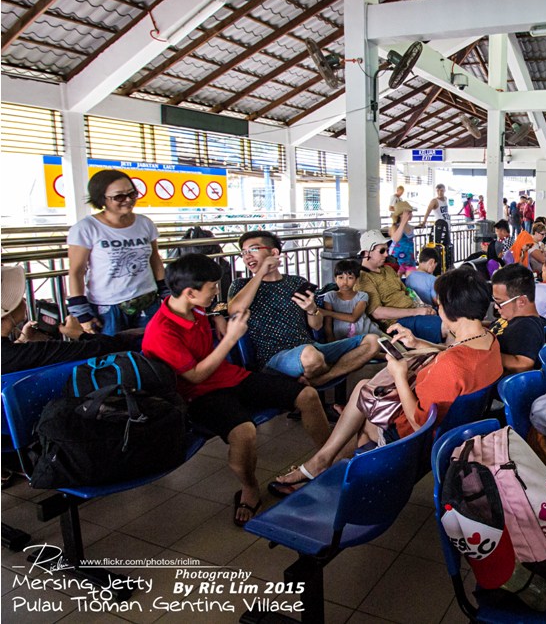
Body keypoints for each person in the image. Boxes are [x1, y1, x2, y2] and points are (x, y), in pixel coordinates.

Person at [269, 269, 503, 493]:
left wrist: (400, 375)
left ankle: (322, 467)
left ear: (449, 309)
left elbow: (419, 424)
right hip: (454, 430)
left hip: (414, 442)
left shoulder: (450, 366)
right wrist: (419, 344)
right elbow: (455, 351)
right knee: (360, 406)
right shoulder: (488, 340)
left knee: (361, 406)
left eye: (439, 304)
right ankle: (322, 466)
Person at [143, 254, 331, 526]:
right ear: (190, 292)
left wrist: (220, 318)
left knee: (308, 395)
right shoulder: (161, 331)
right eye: (212, 288)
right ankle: (250, 487)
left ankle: (327, 461)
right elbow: (195, 376)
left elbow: (217, 309)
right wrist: (230, 338)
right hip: (198, 395)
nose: (216, 292)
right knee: (245, 433)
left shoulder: (194, 308)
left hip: (231, 377)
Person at [227, 231, 379, 383]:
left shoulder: (297, 282)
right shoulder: (240, 285)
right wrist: (260, 274)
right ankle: (327, 371)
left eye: (253, 249)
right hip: (274, 356)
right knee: (311, 357)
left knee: (373, 341)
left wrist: (311, 309)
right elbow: (235, 310)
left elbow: (317, 325)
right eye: (244, 252)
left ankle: (322, 379)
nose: (247, 256)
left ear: (273, 252)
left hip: (309, 347)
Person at [67, 170, 166, 335]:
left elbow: (155, 259)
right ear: (102, 199)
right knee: (113, 353)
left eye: (132, 194)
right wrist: (82, 312)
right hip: (109, 307)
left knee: (152, 351)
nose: (128, 200)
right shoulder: (86, 228)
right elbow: (76, 272)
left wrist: (165, 291)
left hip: (148, 301)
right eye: (119, 196)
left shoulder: (145, 224)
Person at [1, 264, 129, 374]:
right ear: (8, 311)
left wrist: (22, 340)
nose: (24, 299)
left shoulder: (15, 354)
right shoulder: (32, 353)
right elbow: (111, 346)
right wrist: (78, 334)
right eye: (19, 297)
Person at [356, 230, 444, 343]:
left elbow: (407, 292)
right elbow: (377, 312)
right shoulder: (363, 278)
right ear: (366, 253)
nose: (386, 255)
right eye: (382, 251)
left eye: (386, 250)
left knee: (455, 319)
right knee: (446, 326)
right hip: (397, 323)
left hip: (415, 312)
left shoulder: (388, 270)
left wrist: (424, 308)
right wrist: (417, 311)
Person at [491, 264, 546, 374]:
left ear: (521, 301)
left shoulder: (527, 327)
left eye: (499, 302)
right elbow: (498, 325)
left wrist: (485, 354)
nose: (496, 307)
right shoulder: (513, 317)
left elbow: (523, 364)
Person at [320, 260, 380, 341]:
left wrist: (327, 313)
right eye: (340, 277)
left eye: (350, 278)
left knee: (394, 348)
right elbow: (328, 324)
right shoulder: (330, 296)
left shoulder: (362, 296)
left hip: (368, 332)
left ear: (356, 280)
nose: (345, 282)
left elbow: (353, 318)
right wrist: (331, 340)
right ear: (335, 279)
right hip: (343, 338)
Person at [388, 200, 416, 273]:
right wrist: (403, 222)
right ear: (401, 215)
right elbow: (396, 239)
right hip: (398, 258)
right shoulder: (395, 227)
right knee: (397, 280)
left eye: (411, 213)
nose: (411, 215)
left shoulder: (410, 227)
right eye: (408, 213)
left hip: (409, 258)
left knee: (411, 279)